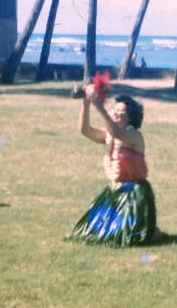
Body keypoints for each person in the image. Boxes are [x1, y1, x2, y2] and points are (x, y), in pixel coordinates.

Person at [68, 87, 160, 246]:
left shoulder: (134, 136)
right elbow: (85, 130)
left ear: (130, 118)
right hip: (114, 191)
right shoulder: (109, 135)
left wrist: (98, 105)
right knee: (93, 230)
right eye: (114, 109)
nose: (115, 112)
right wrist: (87, 101)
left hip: (133, 194)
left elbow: (118, 134)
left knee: (125, 236)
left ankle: (150, 230)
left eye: (120, 111)